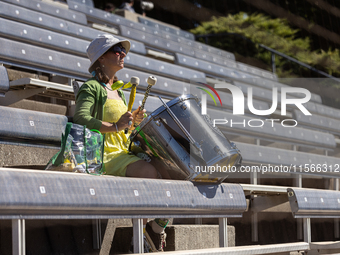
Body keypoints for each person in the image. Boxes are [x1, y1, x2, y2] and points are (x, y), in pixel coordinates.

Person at [73, 34, 168, 251]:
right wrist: (115, 126)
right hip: (103, 155)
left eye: (122, 50)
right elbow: (80, 118)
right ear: (101, 58)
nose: (122, 53)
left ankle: (155, 229)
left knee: (172, 168)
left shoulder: (118, 91)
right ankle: (140, 235)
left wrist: (132, 122)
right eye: (116, 50)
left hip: (122, 152)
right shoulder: (91, 88)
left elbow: (123, 130)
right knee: (149, 172)